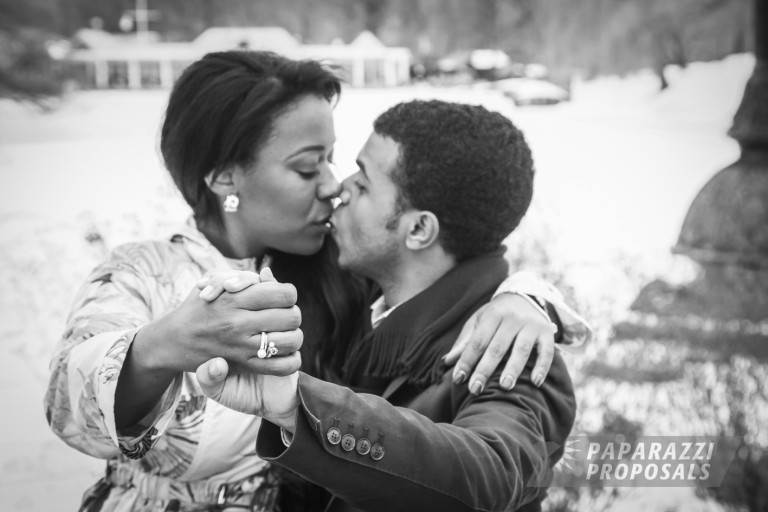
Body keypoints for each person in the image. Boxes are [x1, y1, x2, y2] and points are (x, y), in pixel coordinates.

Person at [44, 51, 588, 512]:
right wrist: (160, 348)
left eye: (333, 160)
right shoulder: (141, 272)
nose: (333, 186)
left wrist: (525, 294)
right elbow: (72, 400)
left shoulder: (329, 269)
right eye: (309, 168)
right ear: (224, 178)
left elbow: (440, 265)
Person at [196, 100, 577, 512]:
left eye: (363, 184)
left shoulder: (508, 348)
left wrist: (296, 403)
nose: (340, 188)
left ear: (417, 229)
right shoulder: (357, 290)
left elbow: (492, 471)